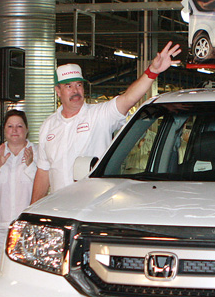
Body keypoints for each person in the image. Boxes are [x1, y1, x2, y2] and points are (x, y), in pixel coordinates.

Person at [31, 41, 181, 203]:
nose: (75, 91)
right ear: (58, 91)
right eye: (68, 86)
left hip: (92, 205)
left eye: (79, 85)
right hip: (59, 208)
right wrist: (31, 208)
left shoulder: (99, 115)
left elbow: (128, 99)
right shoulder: (48, 126)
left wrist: (152, 71)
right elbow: (43, 172)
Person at [0, 109, 35, 267]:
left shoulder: (38, 153)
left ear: (27, 129)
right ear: (4, 130)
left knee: (28, 270)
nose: (15, 130)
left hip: (29, 225)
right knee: (4, 269)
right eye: (10, 126)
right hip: (2, 224)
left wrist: (31, 165)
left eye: (19, 126)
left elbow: (46, 184)